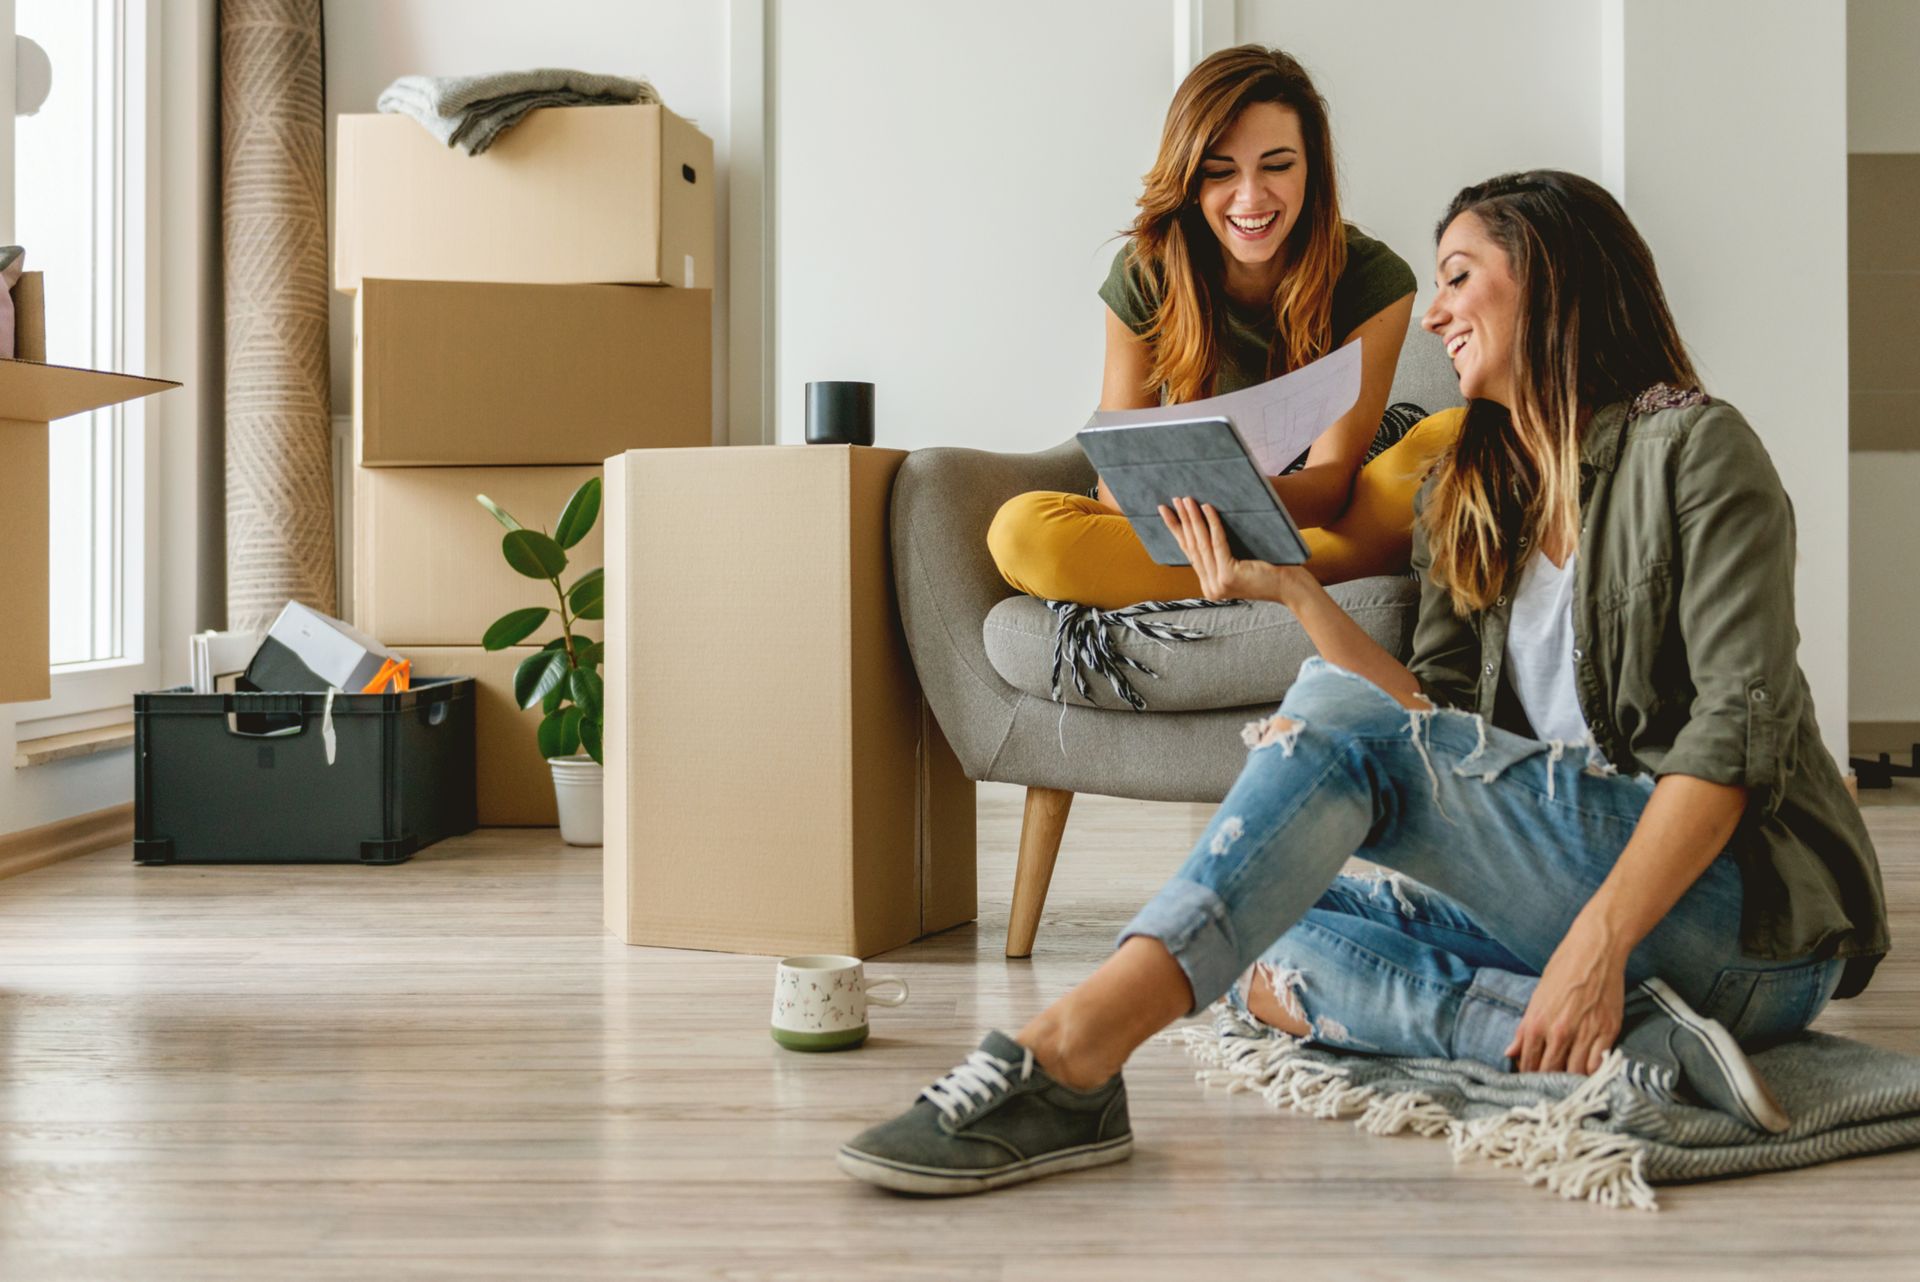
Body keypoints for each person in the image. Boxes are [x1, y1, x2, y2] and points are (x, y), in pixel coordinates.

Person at [838, 170, 1889, 1196]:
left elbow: (1729, 742)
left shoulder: (1695, 451)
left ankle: (1070, 1050)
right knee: (1266, 926)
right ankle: (1635, 1053)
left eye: (1460, 277)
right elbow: (1432, 723)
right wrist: (1296, 593)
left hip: (1743, 922)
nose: (1434, 315)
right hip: (1569, 896)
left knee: (1313, 769)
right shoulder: (1471, 493)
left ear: (1554, 279)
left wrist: (1598, 943)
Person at [987, 44, 1460, 609]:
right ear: (1190, 179)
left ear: (1313, 167)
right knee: (1019, 530)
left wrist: (1226, 500)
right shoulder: (1146, 272)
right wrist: (1196, 513)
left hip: (1316, 516)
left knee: (1452, 435)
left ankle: (1253, 579)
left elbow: (1331, 487)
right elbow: (1119, 487)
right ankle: (1285, 584)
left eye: (1278, 165)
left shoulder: (1373, 278)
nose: (1251, 197)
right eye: (1220, 172)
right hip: (1182, 527)